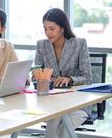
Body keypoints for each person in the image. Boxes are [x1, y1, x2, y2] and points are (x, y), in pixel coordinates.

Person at [34, 8, 92, 138]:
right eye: (45, 29)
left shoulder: (79, 44)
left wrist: (70, 79)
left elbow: (87, 78)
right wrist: (47, 79)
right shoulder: (42, 46)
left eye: (52, 28)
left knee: (64, 132)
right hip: (52, 102)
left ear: (62, 28)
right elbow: (35, 74)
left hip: (77, 103)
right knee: (52, 123)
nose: (48, 33)